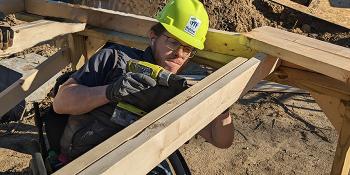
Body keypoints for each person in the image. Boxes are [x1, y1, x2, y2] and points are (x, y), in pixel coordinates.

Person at [53, 0, 233, 164]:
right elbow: (61, 103)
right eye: (173, 42)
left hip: (143, 164)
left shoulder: (178, 90)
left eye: (187, 49)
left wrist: (223, 104)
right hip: (86, 161)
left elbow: (221, 141)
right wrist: (109, 92)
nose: (179, 54)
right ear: (153, 36)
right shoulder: (115, 58)